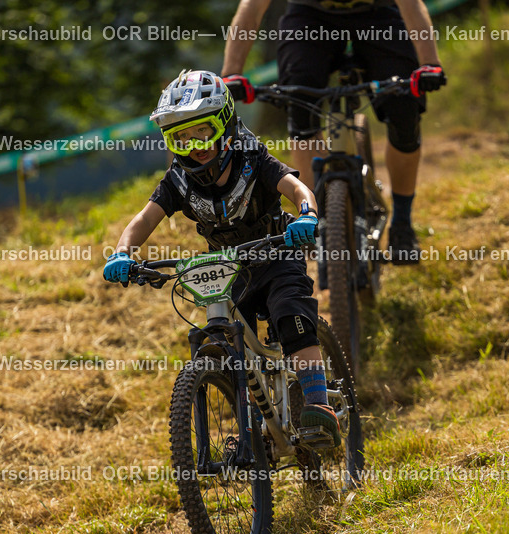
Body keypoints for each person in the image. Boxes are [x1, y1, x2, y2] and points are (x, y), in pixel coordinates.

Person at [103, 69, 341, 445]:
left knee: (291, 314)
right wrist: (122, 253)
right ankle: (250, 428)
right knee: (230, 350)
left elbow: (296, 187)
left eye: (202, 131)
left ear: (226, 126)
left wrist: (307, 214)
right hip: (230, 269)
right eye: (180, 137)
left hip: (277, 252)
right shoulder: (177, 180)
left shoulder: (252, 158)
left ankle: (318, 403)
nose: (193, 145)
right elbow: (144, 219)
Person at [221, 0, 446, 264]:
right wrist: (231, 73)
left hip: (379, 15)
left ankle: (402, 223)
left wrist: (430, 63)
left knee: (404, 112)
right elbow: (253, 7)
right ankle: (320, 217)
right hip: (310, 16)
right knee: (299, 103)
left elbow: (410, 3)